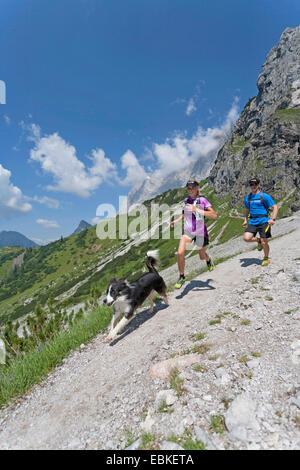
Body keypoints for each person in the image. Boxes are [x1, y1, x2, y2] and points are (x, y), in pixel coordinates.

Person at [170, 179, 218, 289]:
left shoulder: (202, 200)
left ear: (197, 188)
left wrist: (196, 209)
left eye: (192, 187)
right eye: (188, 188)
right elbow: (184, 214)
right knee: (180, 253)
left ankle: (208, 259)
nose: (190, 190)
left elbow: (214, 215)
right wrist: (176, 221)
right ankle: (182, 276)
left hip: (200, 231)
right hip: (188, 230)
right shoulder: (186, 200)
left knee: (201, 256)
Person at [242, 177, 278, 266]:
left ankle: (266, 258)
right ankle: (258, 241)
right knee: (246, 238)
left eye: (255, 184)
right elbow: (247, 209)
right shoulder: (248, 198)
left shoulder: (264, 196)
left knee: (264, 241)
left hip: (264, 221)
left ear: (258, 185)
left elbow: (275, 207)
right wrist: (245, 220)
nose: (253, 186)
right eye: (251, 184)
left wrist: (272, 219)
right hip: (253, 221)